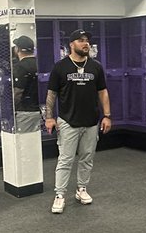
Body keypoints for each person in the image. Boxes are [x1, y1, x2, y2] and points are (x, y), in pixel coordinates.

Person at [44, 28, 111, 213]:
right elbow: (51, 94)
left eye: (87, 40)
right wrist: (48, 117)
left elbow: (103, 92)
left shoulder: (96, 67)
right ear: (71, 44)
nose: (86, 43)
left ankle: (82, 189)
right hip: (68, 121)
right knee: (65, 160)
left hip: (91, 122)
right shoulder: (60, 67)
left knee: (87, 158)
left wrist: (107, 115)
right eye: (81, 40)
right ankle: (60, 195)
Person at [11, 34, 42, 133]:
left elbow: (18, 92)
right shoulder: (39, 64)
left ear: (18, 49)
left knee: (23, 143)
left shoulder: (20, 67)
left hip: (24, 112)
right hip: (38, 110)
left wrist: (11, 108)